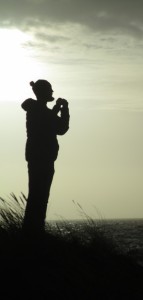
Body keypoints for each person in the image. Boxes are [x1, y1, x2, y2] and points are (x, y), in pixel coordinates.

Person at [21, 80, 70, 235]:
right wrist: (65, 110)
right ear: (43, 92)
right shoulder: (39, 111)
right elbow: (61, 128)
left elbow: (49, 121)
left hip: (39, 158)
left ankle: (33, 231)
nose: (52, 93)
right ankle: (33, 232)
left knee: (38, 196)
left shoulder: (37, 110)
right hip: (42, 159)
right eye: (49, 90)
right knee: (39, 197)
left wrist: (57, 109)